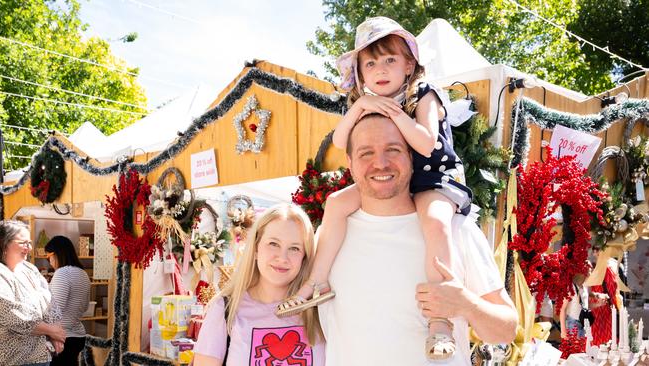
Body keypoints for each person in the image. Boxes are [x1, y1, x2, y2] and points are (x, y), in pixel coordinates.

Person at [277, 16, 473, 360]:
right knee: (337, 202)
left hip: (433, 178)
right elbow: (341, 140)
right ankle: (317, 281)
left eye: (390, 60)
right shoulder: (367, 102)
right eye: (370, 63)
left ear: (409, 64)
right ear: (361, 74)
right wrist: (360, 108)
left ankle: (440, 319)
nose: (380, 69)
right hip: (398, 180)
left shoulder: (423, 95)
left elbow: (426, 144)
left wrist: (398, 115)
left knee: (436, 224)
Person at [317, 113, 517, 365]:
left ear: (411, 157)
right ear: (350, 162)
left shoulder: (455, 230)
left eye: (393, 149)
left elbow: (506, 331)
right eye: (366, 153)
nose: (380, 163)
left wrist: (467, 305)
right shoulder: (330, 238)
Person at [193, 204, 325, 366]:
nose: (282, 257)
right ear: (256, 248)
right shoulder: (225, 309)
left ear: (304, 257)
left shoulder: (319, 310)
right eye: (273, 244)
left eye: (295, 248)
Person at [0, 220, 66, 366]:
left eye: (29, 242)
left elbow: (50, 300)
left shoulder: (29, 269)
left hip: (41, 356)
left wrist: (55, 331)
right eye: (23, 243)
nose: (29, 248)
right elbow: (10, 313)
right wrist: (51, 331)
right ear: (4, 243)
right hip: (13, 359)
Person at [44, 236, 91, 366]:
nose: (50, 262)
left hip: (62, 337)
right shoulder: (83, 273)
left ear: (57, 254)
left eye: (48, 257)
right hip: (77, 336)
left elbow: (55, 308)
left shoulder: (62, 273)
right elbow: (85, 306)